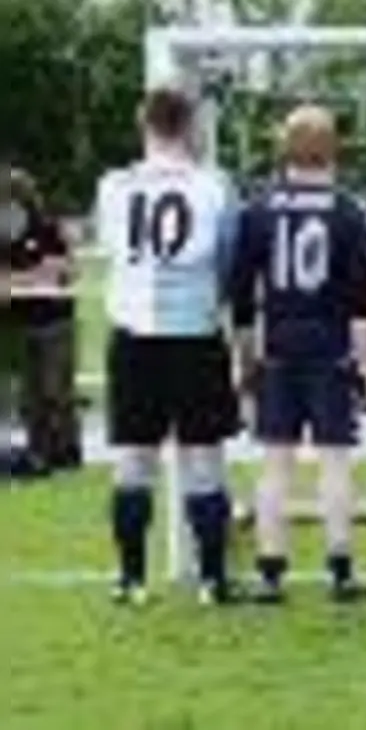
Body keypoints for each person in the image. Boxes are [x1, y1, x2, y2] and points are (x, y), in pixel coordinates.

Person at [95, 87, 242, 606]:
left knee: (134, 460)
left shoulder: (113, 186)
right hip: (195, 336)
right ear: (193, 125)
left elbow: (113, 249)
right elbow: (228, 265)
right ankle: (213, 580)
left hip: (134, 336)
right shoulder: (215, 186)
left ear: (144, 124)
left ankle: (131, 579)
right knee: (204, 460)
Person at [229, 105, 366, 604]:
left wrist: (245, 358)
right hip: (330, 347)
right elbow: (363, 299)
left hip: (278, 345)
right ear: (332, 149)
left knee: (276, 462)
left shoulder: (258, 209)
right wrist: (365, 364)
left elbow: (241, 295)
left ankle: (271, 571)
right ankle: (340, 567)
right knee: (335, 461)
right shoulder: (348, 211)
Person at [2, 167, 81, 472]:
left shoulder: (48, 229)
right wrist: (35, 275)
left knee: (57, 391)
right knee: (29, 397)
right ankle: (39, 454)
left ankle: (67, 451)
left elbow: (67, 270)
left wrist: (23, 278)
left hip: (55, 321)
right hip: (18, 324)